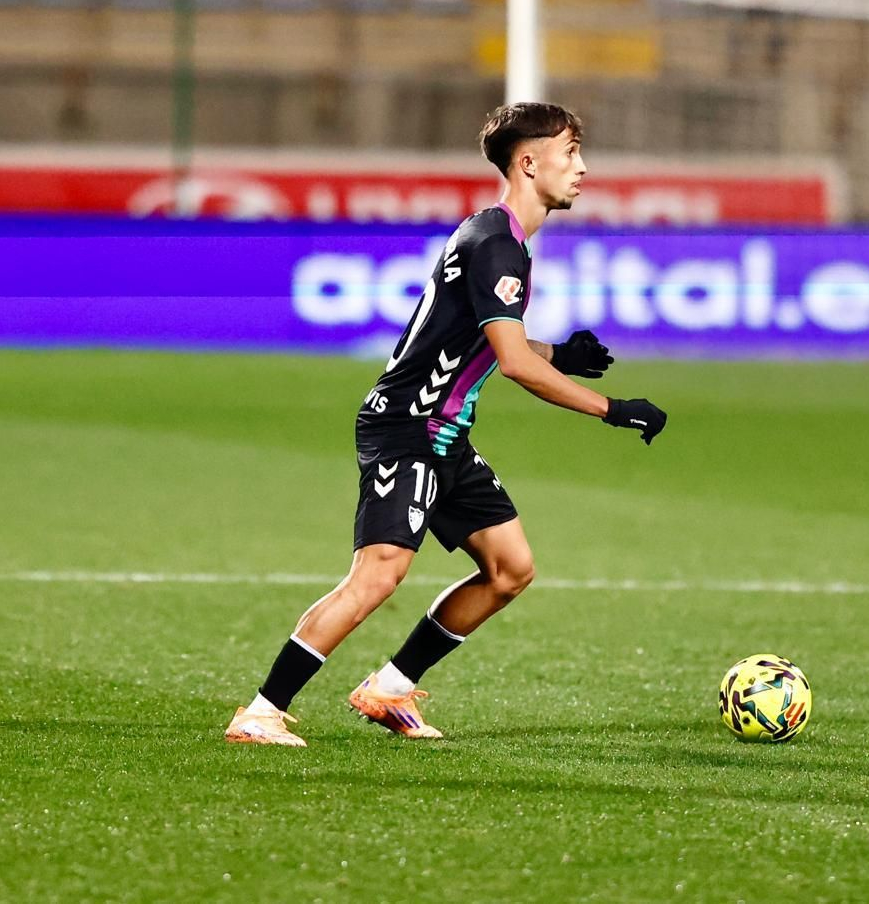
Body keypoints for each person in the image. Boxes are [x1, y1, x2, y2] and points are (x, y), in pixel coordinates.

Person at [225, 103, 668, 747]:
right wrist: (612, 409)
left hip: (446, 434)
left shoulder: (500, 238)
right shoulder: (496, 245)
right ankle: (262, 711)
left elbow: (486, 341)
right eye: (570, 151)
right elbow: (513, 364)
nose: (581, 166)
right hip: (406, 427)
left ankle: (390, 687)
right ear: (528, 162)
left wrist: (559, 354)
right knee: (380, 572)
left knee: (510, 569)